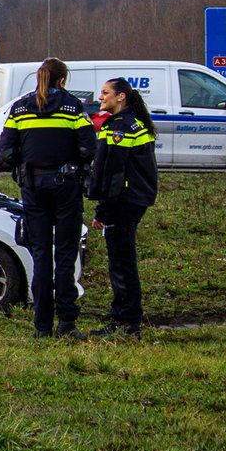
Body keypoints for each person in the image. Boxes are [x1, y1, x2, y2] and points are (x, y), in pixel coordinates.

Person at [0, 58, 96, 339]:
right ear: (62, 80)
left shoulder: (20, 107)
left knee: (40, 257)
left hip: (32, 187)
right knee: (65, 255)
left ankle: (41, 326)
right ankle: (66, 322)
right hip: (66, 186)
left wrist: (26, 162)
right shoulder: (73, 107)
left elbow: (6, 152)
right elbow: (89, 147)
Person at [86, 77, 158, 338]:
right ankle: (123, 319)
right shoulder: (127, 123)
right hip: (133, 198)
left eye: (105, 93)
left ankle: (128, 323)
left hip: (124, 201)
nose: (101, 96)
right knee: (122, 260)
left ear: (121, 97)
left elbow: (115, 173)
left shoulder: (121, 128)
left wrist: (103, 210)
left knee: (121, 263)